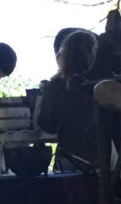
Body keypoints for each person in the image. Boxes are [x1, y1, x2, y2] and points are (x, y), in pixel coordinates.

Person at [38, 29, 100, 171]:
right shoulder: (105, 84)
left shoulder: (55, 87)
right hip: (106, 158)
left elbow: (47, 125)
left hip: (71, 159)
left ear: (64, 54)